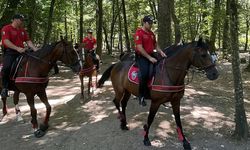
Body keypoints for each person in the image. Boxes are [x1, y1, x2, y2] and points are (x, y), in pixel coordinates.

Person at [1, 14, 38, 98]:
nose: (22, 22)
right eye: (21, 20)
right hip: (10, 52)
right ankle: (5, 88)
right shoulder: (6, 28)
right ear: (15, 20)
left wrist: (35, 49)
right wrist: (17, 48)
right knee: (6, 68)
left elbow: (28, 41)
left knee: (33, 62)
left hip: (22, 52)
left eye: (23, 20)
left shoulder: (22, 30)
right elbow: (6, 41)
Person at [134, 15, 166, 106]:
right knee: (144, 74)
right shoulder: (139, 33)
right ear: (144, 23)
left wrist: (161, 52)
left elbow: (156, 45)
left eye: (152, 23)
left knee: (161, 68)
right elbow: (139, 48)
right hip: (142, 57)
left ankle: (159, 92)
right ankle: (141, 96)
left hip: (151, 55)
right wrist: (149, 58)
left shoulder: (151, 33)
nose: (151, 25)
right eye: (150, 23)